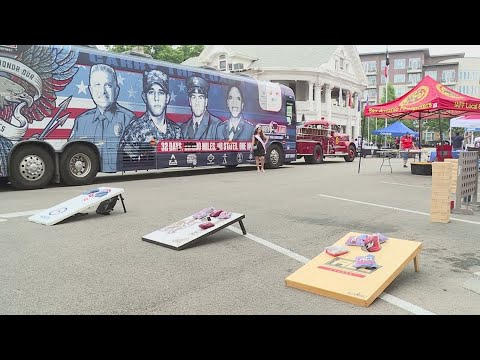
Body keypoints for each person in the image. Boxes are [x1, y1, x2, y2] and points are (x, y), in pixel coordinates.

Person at [70, 64, 136, 172]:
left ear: (117, 90)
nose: (103, 91)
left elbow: (134, 156)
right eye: (97, 85)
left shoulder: (128, 119)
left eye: (108, 85)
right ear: (90, 90)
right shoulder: (81, 121)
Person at [119, 69, 182, 165]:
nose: (156, 98)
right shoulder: (135, 130)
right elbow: (126, 159)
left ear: (167, 98)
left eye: (161, 93)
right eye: (151, 92)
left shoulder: (176, 130)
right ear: (144, 97)